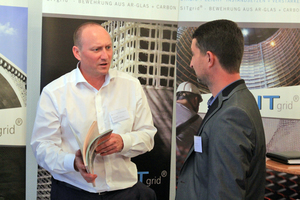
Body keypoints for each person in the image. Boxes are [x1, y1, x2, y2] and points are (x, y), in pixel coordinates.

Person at [31, 22, 157, 200]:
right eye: (96, 49)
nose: (105, 56)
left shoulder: (131, 85)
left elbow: (148, 135)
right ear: (77, 52)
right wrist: (72, 162)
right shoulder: (55, 92)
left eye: (108, 47)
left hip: (125, 192)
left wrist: (123, 142)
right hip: (73, 192)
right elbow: (41, 147)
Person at [176, 19, 266, 200]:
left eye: (193, 55)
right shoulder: (232, 102)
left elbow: (225, 194)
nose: (191, 64)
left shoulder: (232, 115)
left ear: (209, 58)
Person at [175, 81, 203, 180]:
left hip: (162, 169)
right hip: (181, 175)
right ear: (195, 100)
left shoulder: (167, 110)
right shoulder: (198, 122)